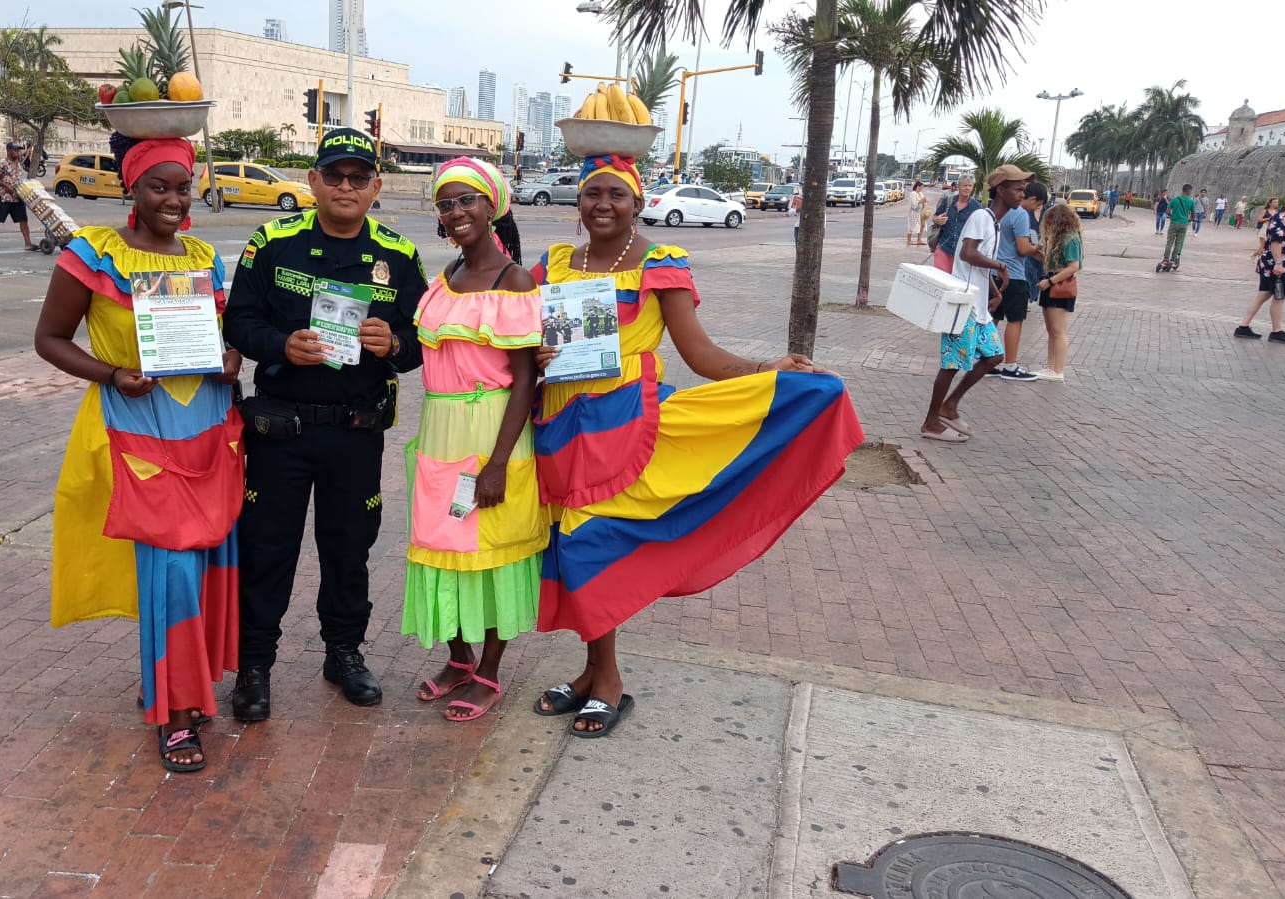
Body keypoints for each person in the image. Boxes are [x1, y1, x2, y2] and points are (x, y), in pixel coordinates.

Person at [527, 152, 862, 737]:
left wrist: (767, 369)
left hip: (625, 426)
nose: (603, 204)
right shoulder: (554, 264)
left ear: (637, 204)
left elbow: (699, 354)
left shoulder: (659, 264)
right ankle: (590, 672)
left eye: (616, 195)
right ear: (577, 203)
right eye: (591, 194)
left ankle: (606, 680)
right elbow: (524, 342)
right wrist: (535, 353)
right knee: (564, 546)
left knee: (590, 547)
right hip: (558, 425)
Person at [34, 134, 244, 773]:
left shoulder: (203, 256)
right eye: (159, 186)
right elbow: (48, 339)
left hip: (207, 424)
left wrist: (230, 360)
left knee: (204, 570)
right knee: (172, 571)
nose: (174, 200)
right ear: (133, 188)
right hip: (137, 428)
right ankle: (175, 717)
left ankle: (179, 687)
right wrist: (110, 373)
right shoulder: (93, 254)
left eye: (182, 187)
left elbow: (218, 337)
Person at [224, 128, 428, 723]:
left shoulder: (397, 253)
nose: (345, 186)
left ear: (375, 188)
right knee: (267, 549)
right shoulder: (273, 241)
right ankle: (254, 665)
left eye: (358, 177)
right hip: (281, 431)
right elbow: (240, 320)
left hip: (355, 430)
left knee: (349, 549)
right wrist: (282, 345)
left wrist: (394, 343)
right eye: (334, 175)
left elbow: (423, 339)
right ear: (312, 182)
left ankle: (343, 653)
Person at [406, 158, 544, 722]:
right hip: (439, 433)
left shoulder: (514, 282)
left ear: (493, 207)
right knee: (439, 545)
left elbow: (525, 380)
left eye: (467, 201)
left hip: (492, 434)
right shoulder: (446, 279)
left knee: (489, 553)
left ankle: (488, 669)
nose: (456, 212)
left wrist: (497, 464)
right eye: (446, 204)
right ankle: (458, 659)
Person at [919, 165, 1027, 442]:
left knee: (994, 356)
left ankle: (950, 405)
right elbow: (966, 254)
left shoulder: (994, 221)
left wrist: (994, 290)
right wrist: (1000, 266)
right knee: (952, 364)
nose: (1022, 193)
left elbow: (977, 263)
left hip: (978, 305)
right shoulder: (981, 216)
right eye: (1017, 188)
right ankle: (932, 421)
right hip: (964, 305)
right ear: (1001, 190)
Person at [989, 172, 1043, 382]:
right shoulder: (1019, 214)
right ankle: (1010, 365)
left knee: (993, 318)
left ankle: (986, 360)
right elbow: (1022, 248)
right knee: (1015, 320)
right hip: (1015, 275)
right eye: (1019, 190)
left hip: (995, 274)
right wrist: (1037, 247)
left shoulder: (995, 213)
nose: (1021, 195)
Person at [1234, 187, 1285, 343]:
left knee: (1264, 294)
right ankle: (1276, 331)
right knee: (1279, 296)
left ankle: (1243, 327)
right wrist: (1279, 263)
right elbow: (1275, 241)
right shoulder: (1283, 217)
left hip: (1278, 262)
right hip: (1278, 264)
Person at [1033, 203, 1083, 380]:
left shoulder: (1071, 238)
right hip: (1051, 281)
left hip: (1059, 284)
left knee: (1059, 330)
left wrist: (1050, 281)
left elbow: (1073, 267)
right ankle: (1050, 366)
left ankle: (1058, 369)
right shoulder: (1060, 238)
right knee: (1052, 330)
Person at [0, 142, 33, 250]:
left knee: (23, 220)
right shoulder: (1, 163)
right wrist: (5, 185)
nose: (17, 152)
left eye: (18, 150)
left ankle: (28, 243)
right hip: (4, 197)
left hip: (17, 197)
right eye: (15, 150)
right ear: (8, 151)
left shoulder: (19, 163)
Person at [930, 175, 982, 274]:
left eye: (970, 186)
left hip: (962, 253)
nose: (967, 188)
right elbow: (934, 216)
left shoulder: (977, 207)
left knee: (955, 284)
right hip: (943, 248)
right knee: (940, 279)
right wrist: (937, 220)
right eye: (965, 185)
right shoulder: (948, 201)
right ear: (958, 186)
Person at [1163, 185, 1196, 268]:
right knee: (1178, 243)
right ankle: (1173, 260)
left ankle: (1166, 259)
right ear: (1188, 191)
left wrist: (1172, 215)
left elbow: (1167, 211)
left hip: (1174, 223)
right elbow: (1193, 214)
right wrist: (1191, 219)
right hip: (1184, 224)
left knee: (1170, 241)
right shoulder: (1191, 201)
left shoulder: (1174, 200)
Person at [906, 180, 928, 246]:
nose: (922, 188)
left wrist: (925, 201)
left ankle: (919, 239)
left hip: (921, 211)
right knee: (912, 225)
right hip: (914, 212)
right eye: (921, 187)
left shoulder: (921, 193)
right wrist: (921, 201)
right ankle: (909, 240)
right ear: (918, 186)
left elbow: (924, 201)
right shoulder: (913, 193)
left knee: (922, 225)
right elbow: (913, 204)